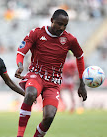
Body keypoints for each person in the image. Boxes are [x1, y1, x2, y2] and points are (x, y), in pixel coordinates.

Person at [15, 9, 87, 137]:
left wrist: (82, 83)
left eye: (65, 25)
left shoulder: (70, 39)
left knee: (49, 116)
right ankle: (19, 135)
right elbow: (21, 52)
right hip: (36, 75)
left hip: (53, 82)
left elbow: (80, 56)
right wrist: (20, 65)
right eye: (59, 24)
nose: (62, 28)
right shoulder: (36, 33)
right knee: (30, 93)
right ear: (51, 21)